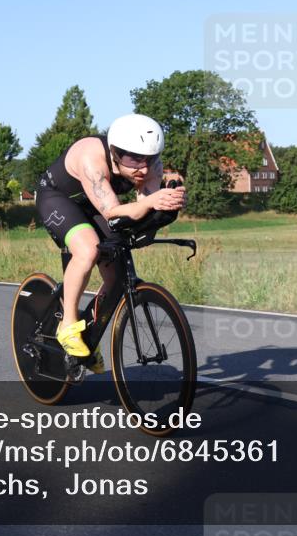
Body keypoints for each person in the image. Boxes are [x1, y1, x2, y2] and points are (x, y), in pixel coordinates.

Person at [35, 114, 186, 372]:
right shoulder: (91, 158)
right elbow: (114, 213)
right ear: (115, 152)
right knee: (88, 249)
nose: (144, 167)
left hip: (98, 205)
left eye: (150, 158)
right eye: (134, 159)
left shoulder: (150, 165)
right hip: (59, 199)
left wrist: (168, 201)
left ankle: (89, 337)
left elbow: (143, 211)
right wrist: (150, 202)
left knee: (117, 279)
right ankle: (68, 326)